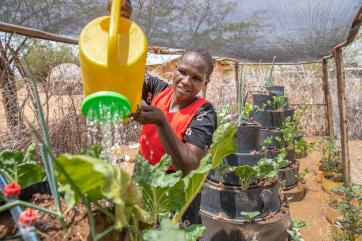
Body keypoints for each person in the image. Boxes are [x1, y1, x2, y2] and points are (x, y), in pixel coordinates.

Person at [107, 0, 217, 224]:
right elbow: (127, 71)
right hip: (145, 181)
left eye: (196, 78)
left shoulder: (204, 112)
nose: (186, 82)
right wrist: (121, 23)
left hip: (174, 195)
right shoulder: (158, 90)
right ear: (175, 69)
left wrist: (161, 122)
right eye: (183, 72)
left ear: (206, 82)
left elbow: (188, 165)